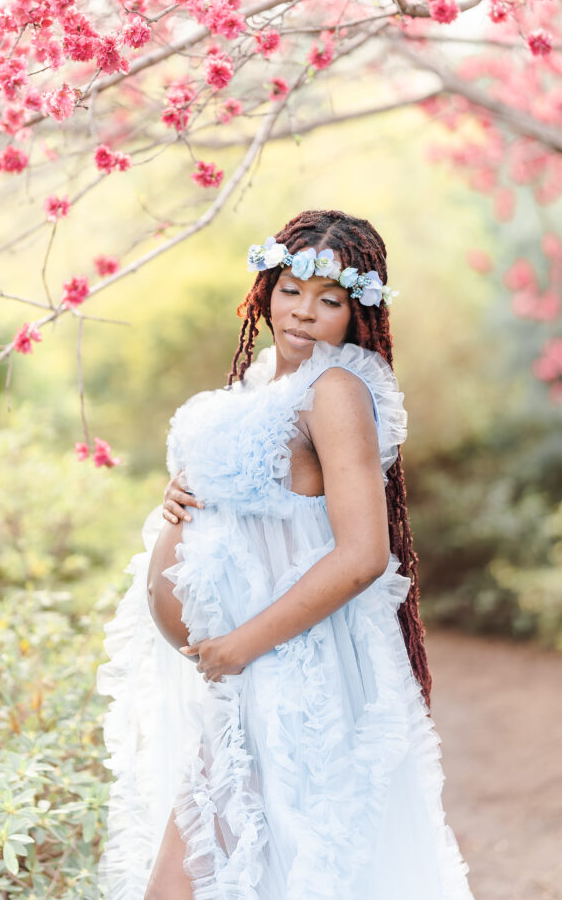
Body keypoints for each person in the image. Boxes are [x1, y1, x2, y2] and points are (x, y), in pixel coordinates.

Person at [96, 209, 476, 900]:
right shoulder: (264, 383)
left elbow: (362, 554)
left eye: (328, 301)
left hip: (283, 670)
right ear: (265, 288)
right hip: (242, 676)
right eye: (290, 290)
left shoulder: (333, 391)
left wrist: (240, 645)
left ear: (355, 312)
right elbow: (260, 499)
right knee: (226, 876)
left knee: (212, 880)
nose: (302, 313)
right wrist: (181, 495)